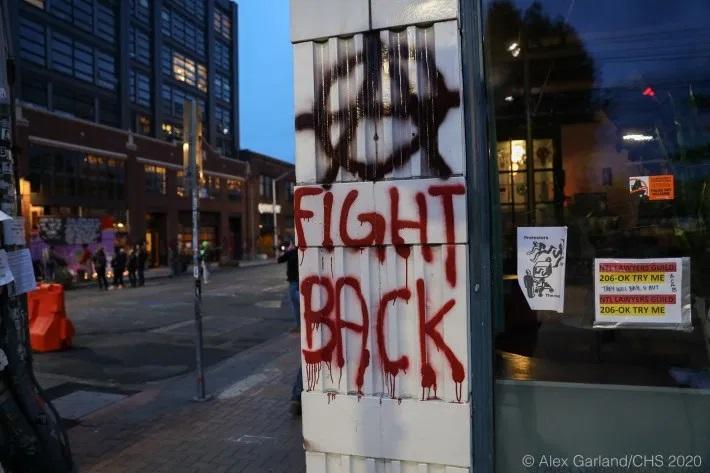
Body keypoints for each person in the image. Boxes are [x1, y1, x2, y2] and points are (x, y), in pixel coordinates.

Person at [278, 240, 302, 416]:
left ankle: (297, 397)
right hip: (294, 283)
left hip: (296, 284)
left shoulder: (298, 252)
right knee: (296, 308)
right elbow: (280, 260)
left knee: (297, 307)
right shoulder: (294, 252)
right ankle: (296, 397)